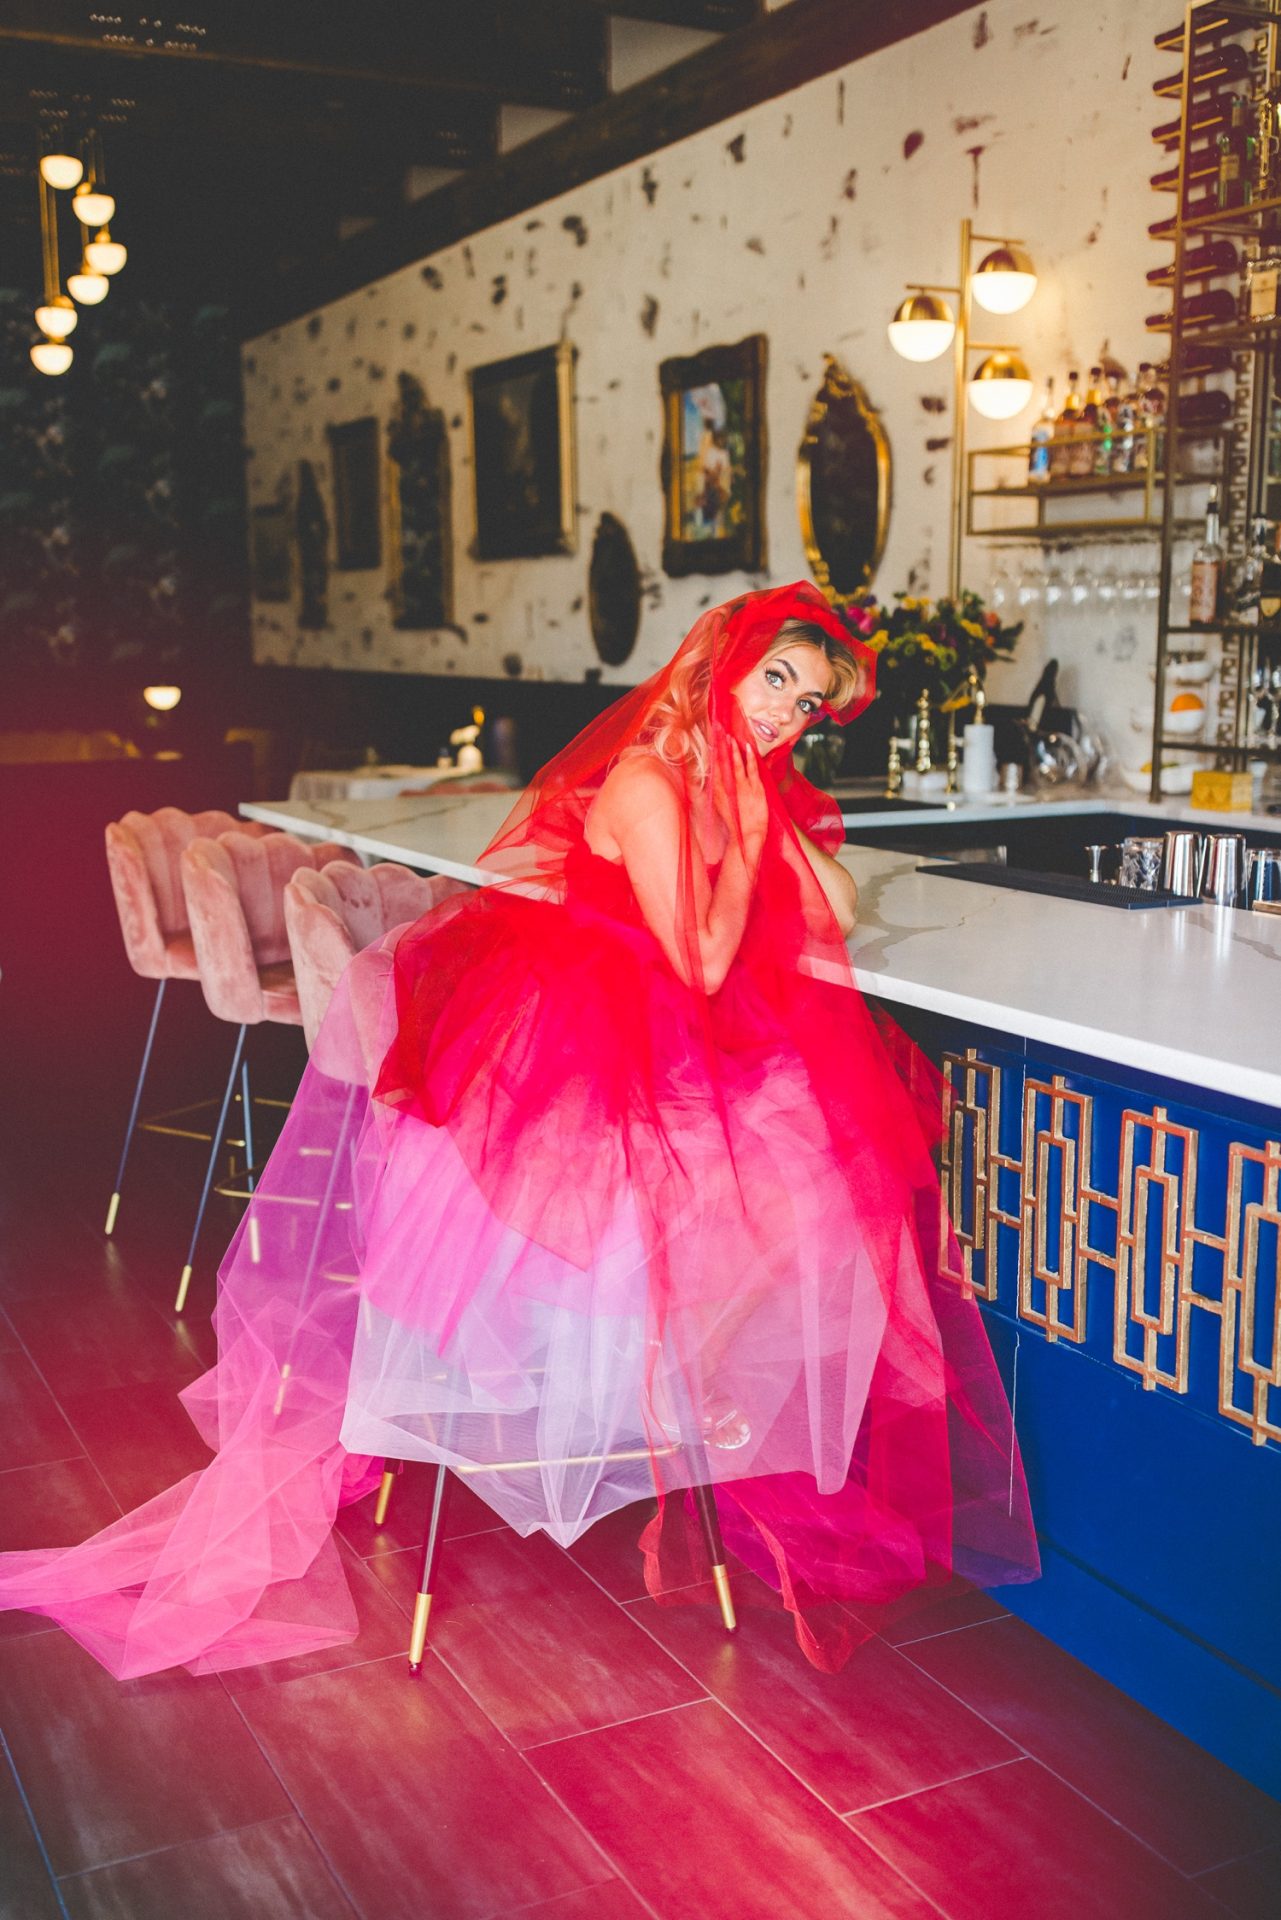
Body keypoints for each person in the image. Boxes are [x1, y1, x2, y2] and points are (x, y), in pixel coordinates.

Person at [0, 582, 1037, 1679]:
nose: (786, 713)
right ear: (720, 664)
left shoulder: (724, 772)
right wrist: (741, 830)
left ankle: (706, 1405)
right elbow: (703, 961)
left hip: (670, 1047)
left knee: (809, 1188)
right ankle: (669, 1403)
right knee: (775, 1191)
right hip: (592, 1057)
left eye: (809, 702)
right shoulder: (648, 780)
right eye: (774, 679)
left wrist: (758, 808)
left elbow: (830, 896)